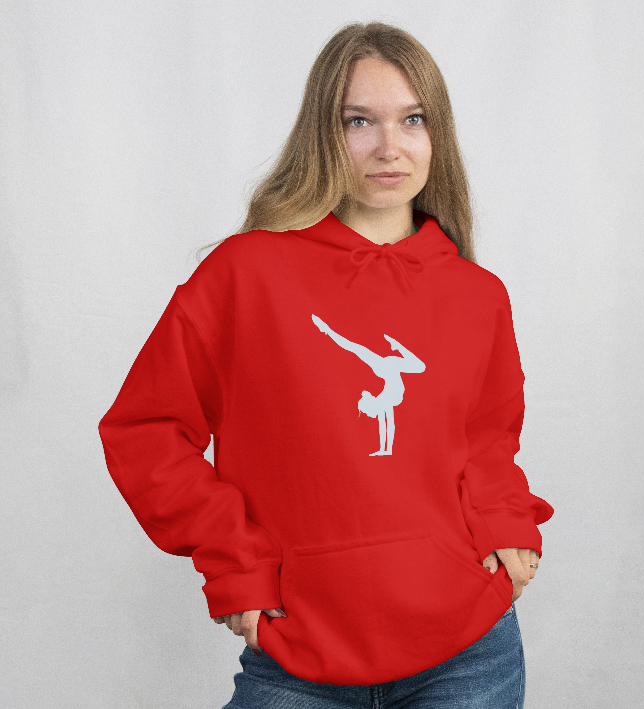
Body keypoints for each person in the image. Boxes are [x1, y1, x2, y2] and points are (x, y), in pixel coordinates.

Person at [98, 20, 554, 709]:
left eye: (413, 119)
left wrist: (505, 521)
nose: (389, 146)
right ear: (324, 133)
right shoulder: (245, 274)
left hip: (468, 648)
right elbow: (146, 430)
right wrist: (234, 561)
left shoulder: (475, 294)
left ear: (438, 133)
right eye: (358, 121)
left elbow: (486, 441)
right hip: (297, 655)